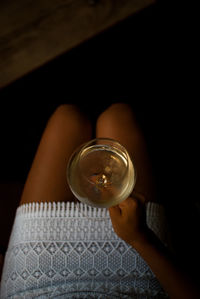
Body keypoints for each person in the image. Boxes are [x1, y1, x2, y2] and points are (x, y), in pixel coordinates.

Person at [0, 103, 199, 298]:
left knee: (68, 118)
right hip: (137, 273)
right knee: (118, 116)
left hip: (38, 279)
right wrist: (140, 239)